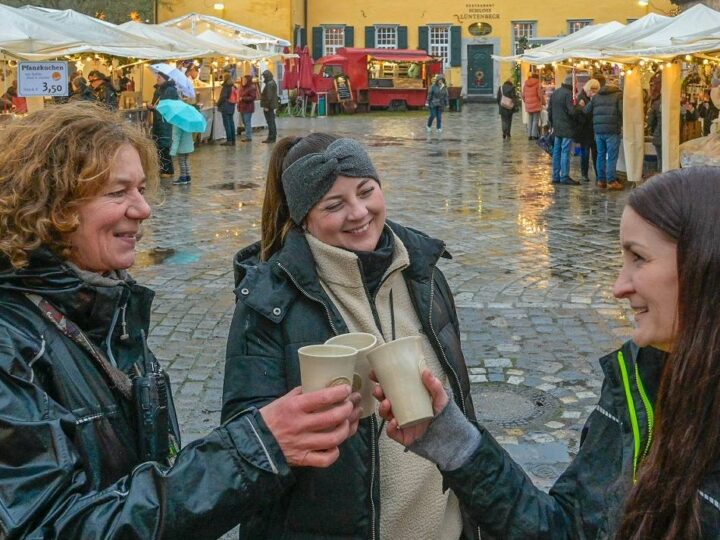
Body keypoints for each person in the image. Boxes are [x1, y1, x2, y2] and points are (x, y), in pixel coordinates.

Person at [0, 102, 362, 539]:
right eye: (118, 193)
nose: (143, 209)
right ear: (50, 205)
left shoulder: (106, 308)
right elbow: (54, 528)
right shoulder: (12, 344)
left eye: (140, 189)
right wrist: (254, 447)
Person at [376, 167, 720, 539]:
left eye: (639, 258)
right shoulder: (635, 380)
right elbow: (566, 527)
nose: (619, 286)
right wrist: (451, 438)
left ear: (702, 262)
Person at [222, 133, 478, 539]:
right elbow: (247, 450)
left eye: (366, 191)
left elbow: (462, 408)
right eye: (334, 205)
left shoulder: (425, 275)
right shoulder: (269, 304)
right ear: (305, 217)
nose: (358, 213)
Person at [585, 78, 623, 191]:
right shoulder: (618, 96)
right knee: (611, 156)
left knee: (600, 155)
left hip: (598, 131)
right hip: (612, 130)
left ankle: (601, 180)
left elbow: (586, 111)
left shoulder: (596, 96)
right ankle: (611, 181)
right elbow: (622, 111)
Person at [548, 74, 580, 185]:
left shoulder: (556, 92)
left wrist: (552, 124)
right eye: (575, 83)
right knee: (565, 151)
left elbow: (550, 110)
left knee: (557, 151)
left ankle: (555, 175)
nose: (576, 85)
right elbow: (572, 112)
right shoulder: (567, 94)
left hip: (557, 127)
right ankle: (564, 176)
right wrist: (578, 107)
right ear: (572, 83)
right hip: (566, 128)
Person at [148, 72, 179, 177]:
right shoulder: (158, 89)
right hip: (158, 120)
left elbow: (169, 106)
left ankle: (168, 170)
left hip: (165, 121)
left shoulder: (169, 90)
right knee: (159, 144)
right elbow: (156, 104)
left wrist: (155, 108)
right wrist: (151, 107)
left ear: (165, 79)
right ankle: (162, 168)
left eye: (159, 77)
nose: (157, 78)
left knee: (164, 144)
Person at [574, 79, 600, 182]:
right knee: (585, 153)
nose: (594, 92)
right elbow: (582, 113)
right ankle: (584, 174)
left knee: (596, 153)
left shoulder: (594, 98)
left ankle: (598, 174)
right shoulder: (581, 98)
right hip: (585, 130)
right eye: (592, 89)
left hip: (594, 129)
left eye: (596, 89)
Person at [426, 75, 449, 140]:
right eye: (439, 80)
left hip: (441, 104)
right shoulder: (433, 86)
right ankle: (428, 126)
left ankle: (438, 128)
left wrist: (447, 104)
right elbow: (429, 95)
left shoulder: (444, 87)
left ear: (443, 80)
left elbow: (446, 96)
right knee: (433, 115)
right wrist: (427, 102)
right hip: (433, 103)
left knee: (439, 117)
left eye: (441, 80)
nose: (440, 81)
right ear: (437, 80)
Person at [522, 73, 544, 140]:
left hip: (528, 105)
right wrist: (543, 102)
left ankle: (529, 135)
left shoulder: (525, 84)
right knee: (535, 120)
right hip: (536, 104)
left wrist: (526, 102)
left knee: (530, 120)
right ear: (537, 78)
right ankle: (534, 135)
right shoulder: (538, 84)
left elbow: (523, 95)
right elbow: (540, 95)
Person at [217, 72, 237, 146]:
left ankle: (229, 140)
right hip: (232, 106)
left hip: (226, 106)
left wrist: (218, 103)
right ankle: (233, 140)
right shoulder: (233, 86)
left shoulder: (226, 87)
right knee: (231, 123)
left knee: (227, 124)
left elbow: (223, 97)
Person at [260, 69, 279, 143]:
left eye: (264, 76)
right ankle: (272, 136)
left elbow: (268, 96)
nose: (263, 78)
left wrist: (266, 106)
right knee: (271, 121)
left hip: (269, 106)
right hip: (271, 105)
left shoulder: (269, 84)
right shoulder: (272, 82)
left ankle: (271, 137)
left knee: (270, 121)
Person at [237, 74, 257, 142]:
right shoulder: (242, 87)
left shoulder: (251, 88)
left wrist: (243, 98)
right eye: (243, 80)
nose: (243, 81)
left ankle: (248, 137)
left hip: (248, 108)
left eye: (245, 80)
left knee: (247, 122)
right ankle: (247, 135)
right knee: (245, 122)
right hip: (242, 107)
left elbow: (253, 97)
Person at [646, 88, 662, 172]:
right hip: (673, 137)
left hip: (658, 135)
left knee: (660, 159)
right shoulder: (676, 103)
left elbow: (650, 121)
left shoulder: (656, 104)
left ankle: (660, 179)